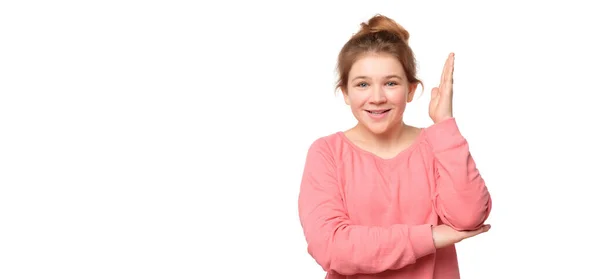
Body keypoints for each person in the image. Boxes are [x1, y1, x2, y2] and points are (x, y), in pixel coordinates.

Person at [297, 14, 492, 279]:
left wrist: (444, 124)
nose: (377, 98)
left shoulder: (437, 145)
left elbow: (468, 216)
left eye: (391, 83)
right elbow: (332, 248)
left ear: (411, 90)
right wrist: (431, 236)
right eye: (363, 84)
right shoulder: (326, 153)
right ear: (345, 92)